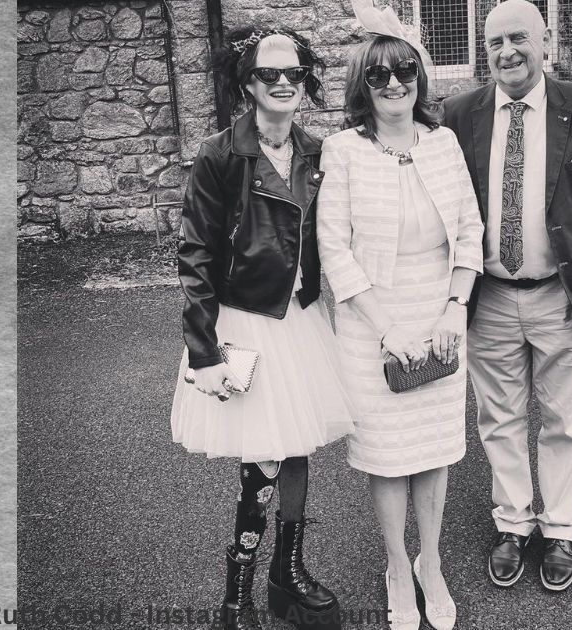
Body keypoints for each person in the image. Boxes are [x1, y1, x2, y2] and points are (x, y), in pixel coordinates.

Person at [440, 0, 572, 592]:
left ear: (545, 43)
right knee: (499, 418)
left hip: (567, 296)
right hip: (488, 298)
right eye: (494, 43)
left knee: (565, 420)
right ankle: (512, 524)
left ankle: (560, 528)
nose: (507, 52)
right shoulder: (459, 114)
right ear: (484, 52)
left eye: (519, 39)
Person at [169, 27, 354, 630]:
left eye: (293, 74)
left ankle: (288, 572)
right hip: (245, 323)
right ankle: (236, 596)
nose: (282, 83)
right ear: (247, 83)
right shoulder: (220, 154)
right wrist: (205, 350)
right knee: (263, 459)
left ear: (305, 81)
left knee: (297, 445)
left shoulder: (317, 152)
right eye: (269, 74)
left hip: (300, 317)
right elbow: (195, 253)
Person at [316, 34, 483, 630]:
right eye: (379, 74)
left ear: (421, 77)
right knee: (389, 458)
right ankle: (396, 568)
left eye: (405, 70)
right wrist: (386, 330)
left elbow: (469, 231)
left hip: (437, 312)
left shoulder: (443, 143)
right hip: (371, 323)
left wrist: (453, 307)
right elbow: (334, 249)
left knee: (433, 450)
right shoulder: (344, 150)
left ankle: (430, 562)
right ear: (363, 85)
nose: (394, 83)